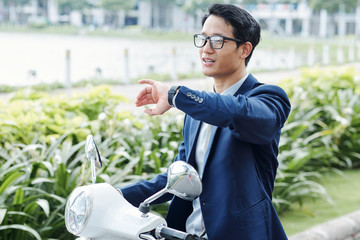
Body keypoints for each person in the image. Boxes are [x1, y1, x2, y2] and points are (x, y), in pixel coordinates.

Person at [120, 3, 291, 240]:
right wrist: (115, 196)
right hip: (186, 234)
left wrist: (175, 95)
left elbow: (236, 113)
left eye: (217, 40)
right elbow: (179, 179)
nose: (206, 49)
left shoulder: (268, 98)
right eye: (202, 39)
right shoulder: (197, 112)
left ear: (244, 49)